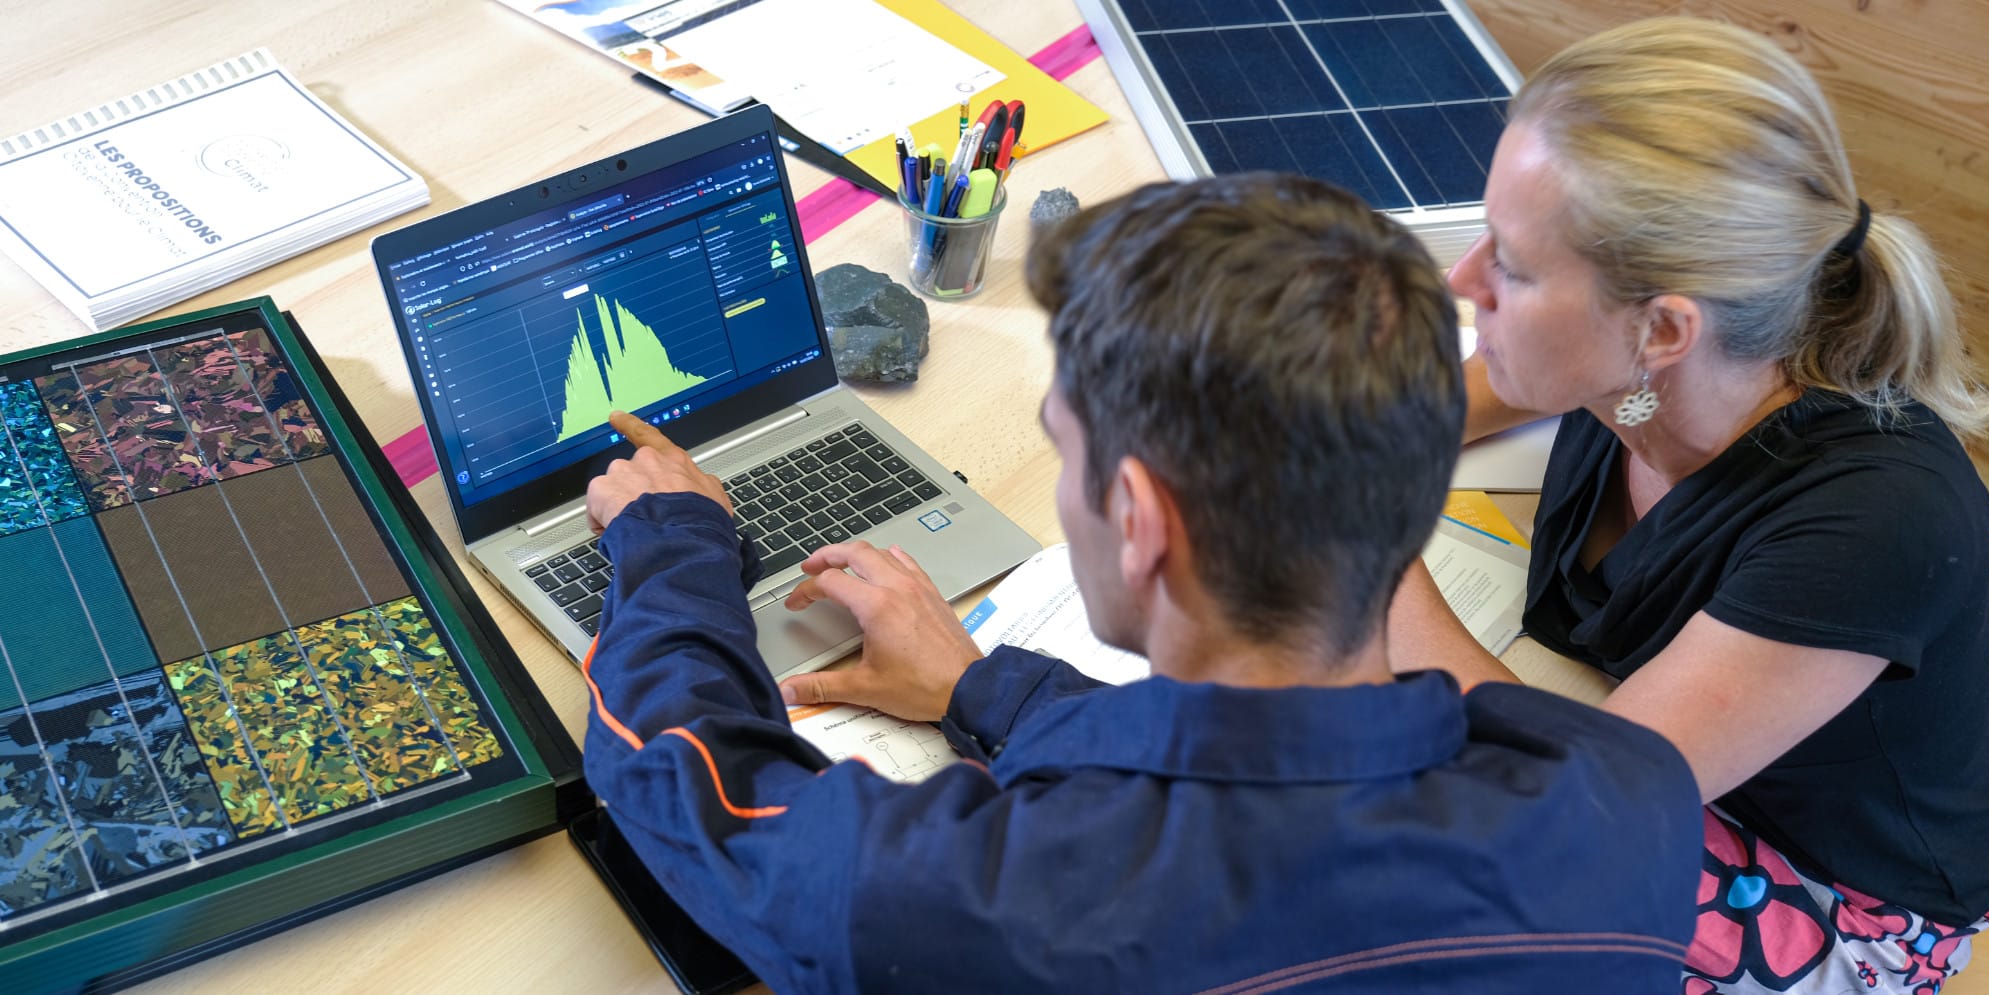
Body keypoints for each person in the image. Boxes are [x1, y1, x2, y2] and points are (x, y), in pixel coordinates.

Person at [576, 174, 1701, 992]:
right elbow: (1261, 777)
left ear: (1141, 524)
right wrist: (980, 687)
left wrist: (674, 539)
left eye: (1064, 451)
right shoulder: (1625, 789)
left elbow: (691, 783)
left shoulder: (1001, 902)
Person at [1385, 17, 1989, 994]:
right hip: (1669, 750)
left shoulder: (1875, 520)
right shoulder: (1652, 379)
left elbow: (1571, 804)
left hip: (1845, 899)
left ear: (1663, 328)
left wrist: (1351, 539)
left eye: (1511, 263)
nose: (1463, 280)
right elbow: (1450, 398)